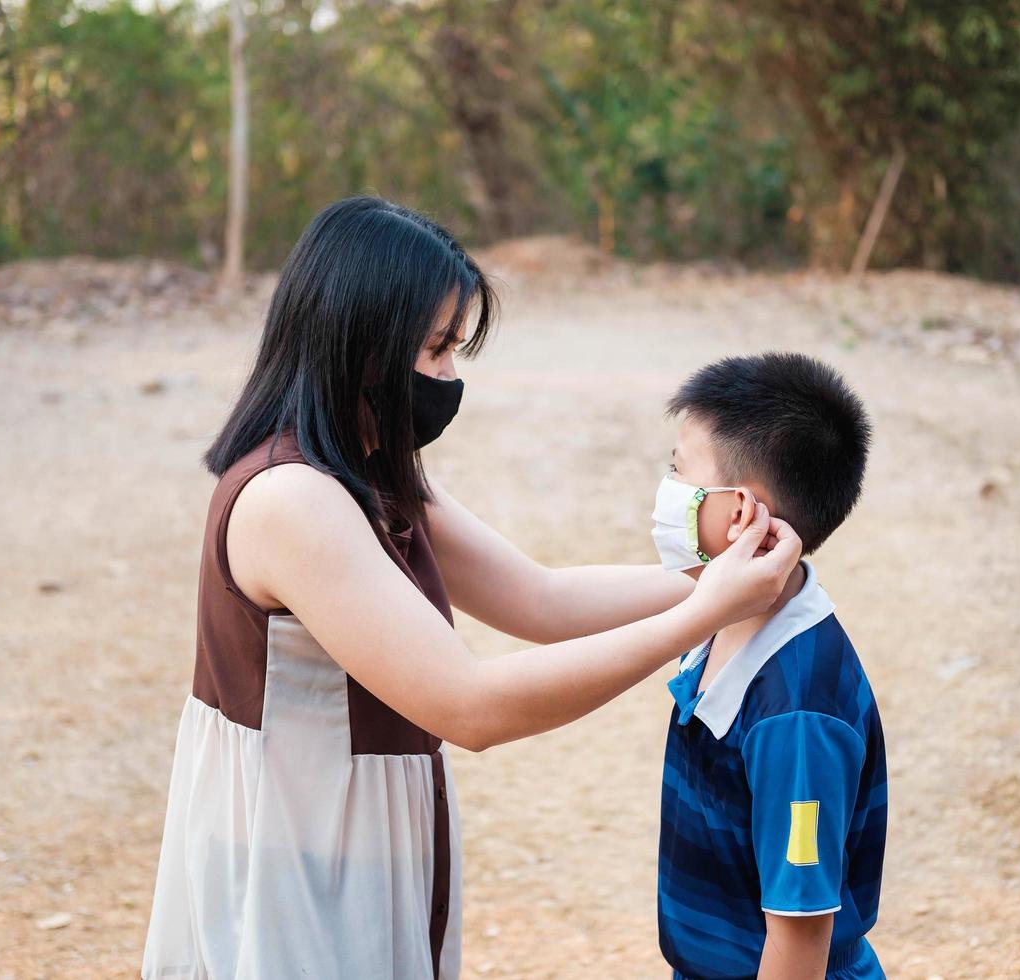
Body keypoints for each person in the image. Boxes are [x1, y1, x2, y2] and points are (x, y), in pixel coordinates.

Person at [140, 196, 802, 980]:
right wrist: (706, 612)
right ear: (363, 342)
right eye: (435, 350)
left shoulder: (369, 466)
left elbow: (539, 599)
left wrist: (714, 580)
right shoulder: (293, 500)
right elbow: (469, 705)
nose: (449, 378)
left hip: (353, 838)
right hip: (292, 856)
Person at [651, 353, 886, 980]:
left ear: (739, 514)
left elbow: (799, 942)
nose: (665, 493)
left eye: (678, 474)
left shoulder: (797, 714)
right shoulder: (723, 617)